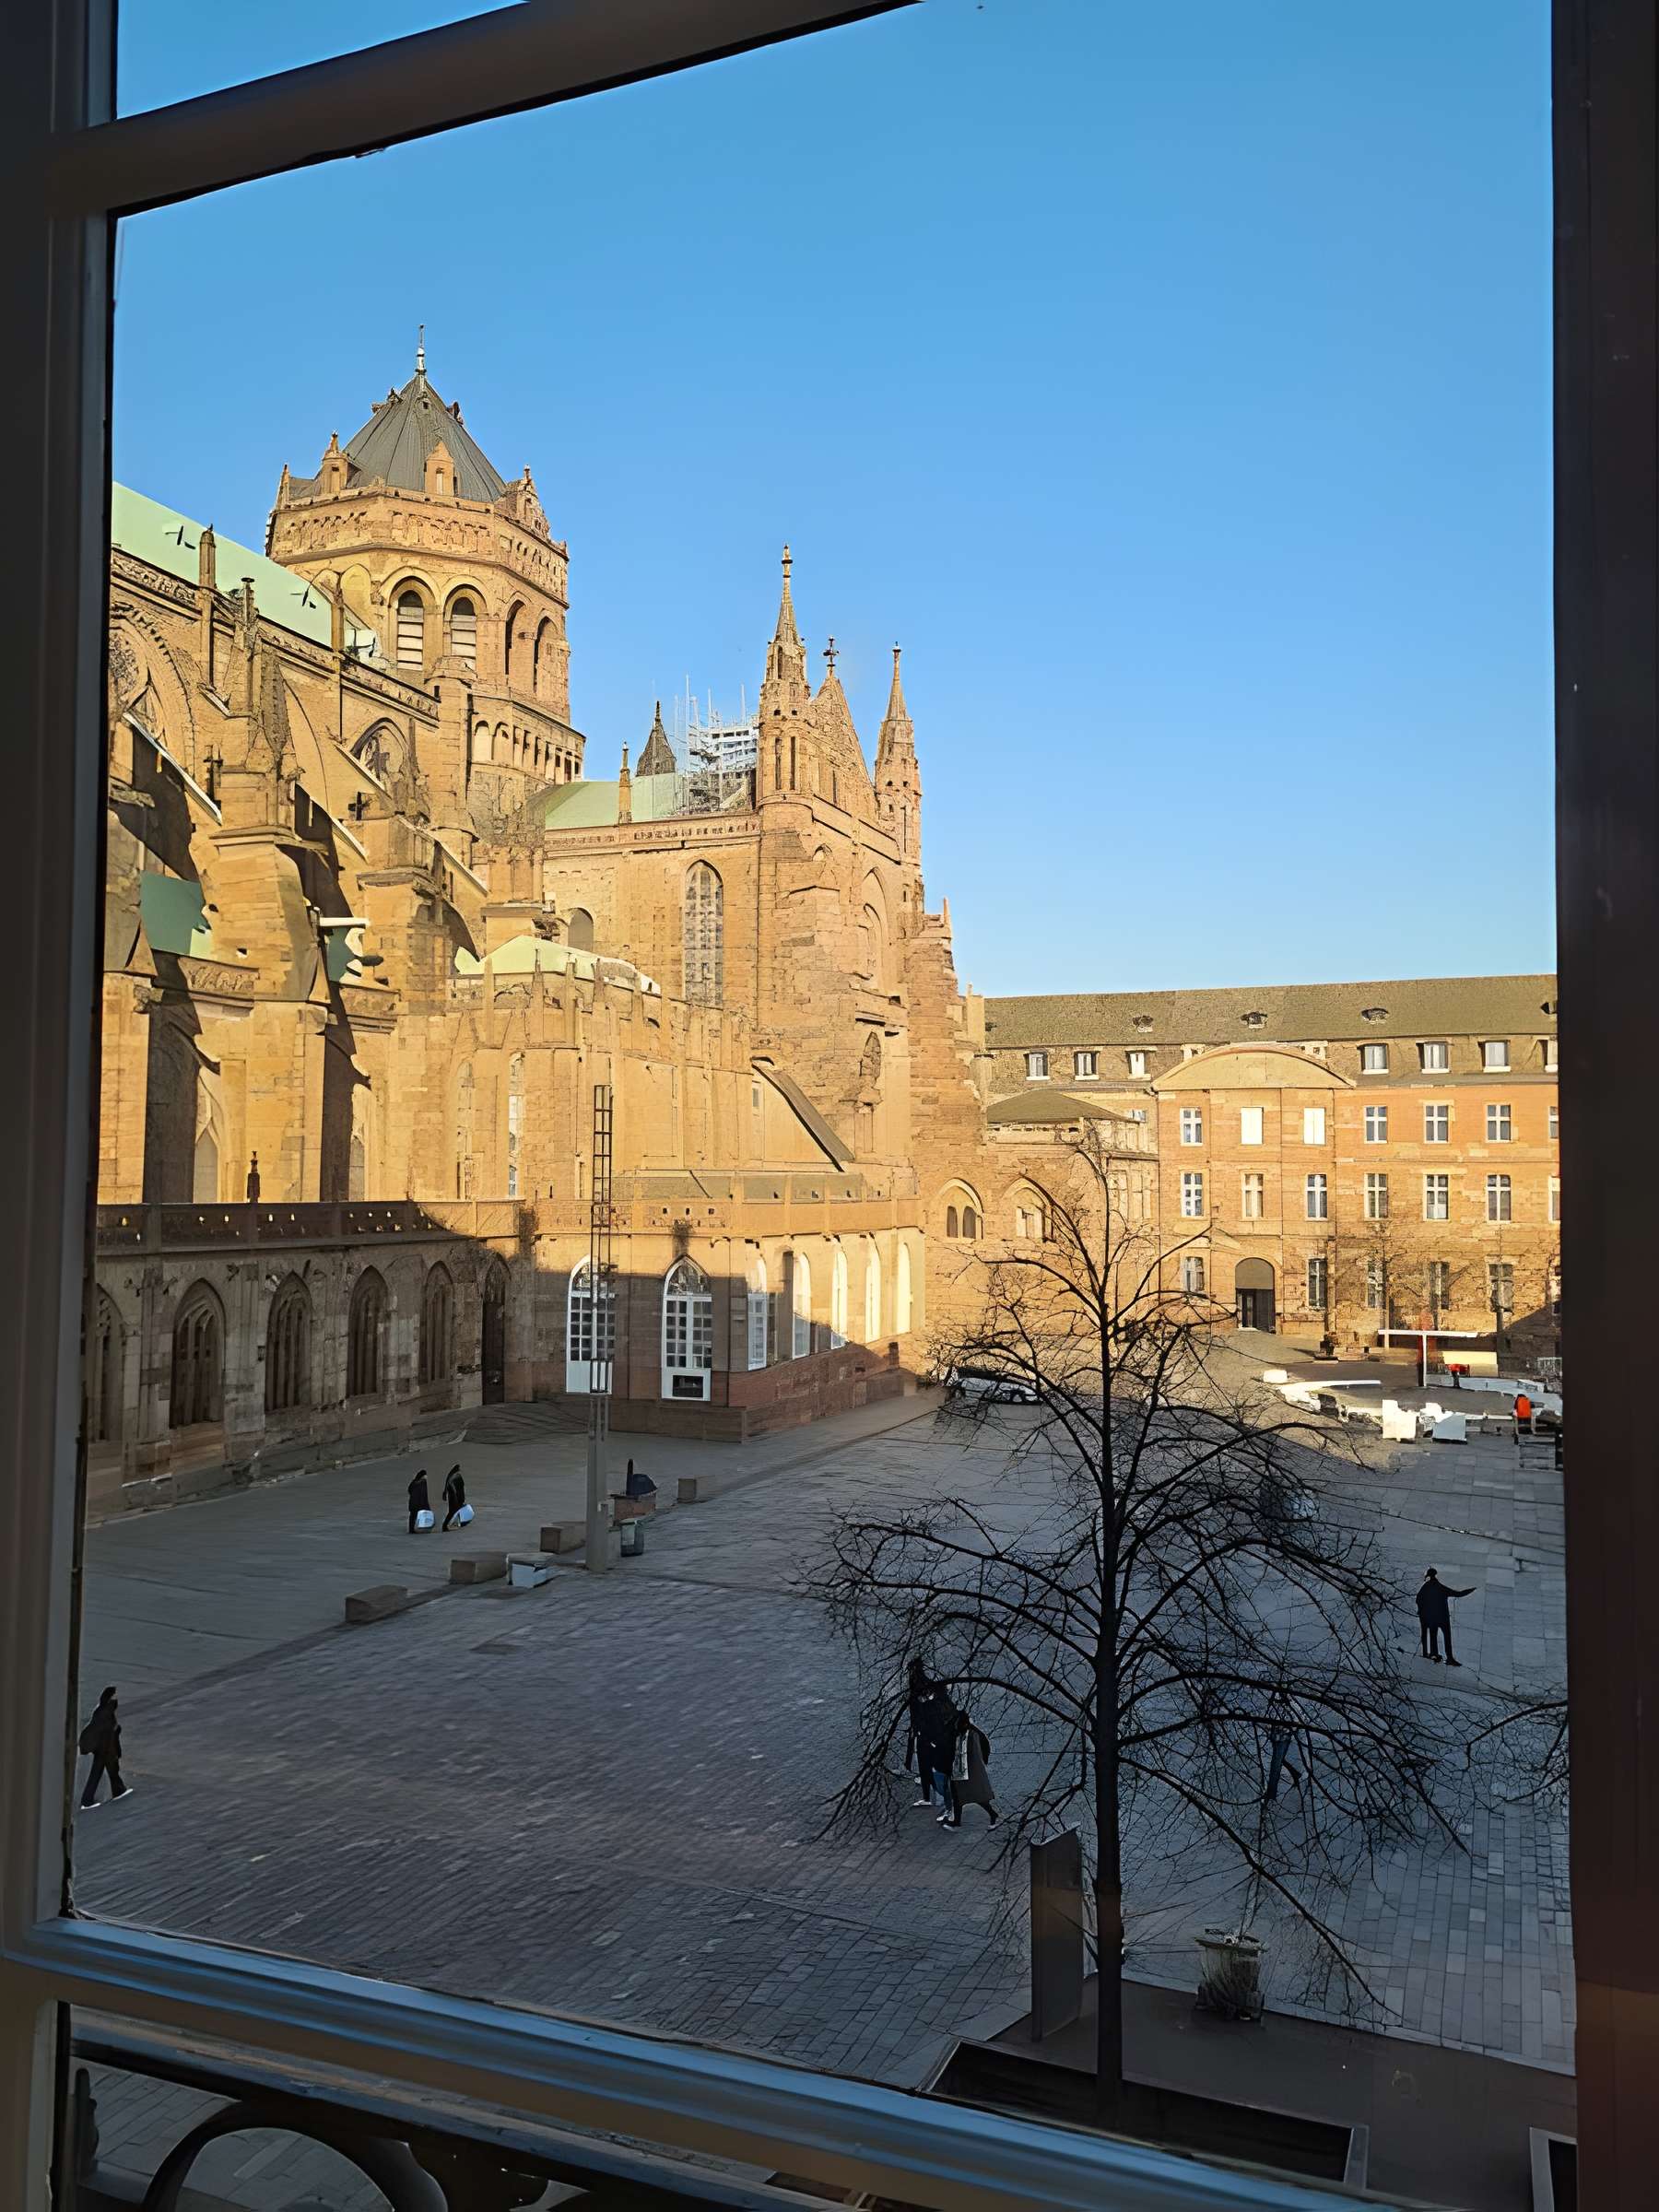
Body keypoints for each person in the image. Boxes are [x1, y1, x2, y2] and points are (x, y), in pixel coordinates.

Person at [941, 1710, 998, 1829]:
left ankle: (991, 1814)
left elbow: (959, 1752)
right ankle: (958, 1820)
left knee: (967, 1795)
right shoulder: (966, 1732)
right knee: (962, 1796)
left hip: (966, 1770)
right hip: (964, 1769)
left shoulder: (969, 1734)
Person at [78, 1685, 132, 1809]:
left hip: (105, 1750)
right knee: (105, 1774)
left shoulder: (106, 1711)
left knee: (103, 1774)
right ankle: (89, 1799)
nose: (116, 1699)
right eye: (113, 1696)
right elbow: (104, 1731)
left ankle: (90, 1798)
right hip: (105, 1750)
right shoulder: (104, 1713)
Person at [1416, 1568, 1476, 1665]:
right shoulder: (1441, 1588)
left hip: (1432, 1617)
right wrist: (1470, 1590)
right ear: (1435, 1576)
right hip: (1443, 1617)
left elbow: (1418, 1599)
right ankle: (1449, 1658)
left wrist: (1422, 1611)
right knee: (1447, 1637)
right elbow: (1458, 1594)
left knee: (1433, 1635)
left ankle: (1434, 1654)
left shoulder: (1426, 1587)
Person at [903, 1657, 942, 1807]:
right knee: (925, 1766)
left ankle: (938, 1796)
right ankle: (929, 1797)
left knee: (927, 1765)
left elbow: (926, 1706)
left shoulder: (920, 1684)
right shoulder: (918, 1684)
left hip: (927, 1733)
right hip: (923, 1732)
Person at [441, 1465, 466, 1531]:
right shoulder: (455, 1476)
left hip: (454, 1496)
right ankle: (445, 1525)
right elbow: (457, 1488)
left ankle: (454, 1523)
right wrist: (457, 1497)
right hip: (455, 1497)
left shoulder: (451, 1476)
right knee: (452, 1511)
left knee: (455, 1511)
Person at [407, 1468, 430, 1535]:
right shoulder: (419, 1482)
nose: (426, 1476)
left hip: (417, 1502)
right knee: (414, 1515)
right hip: (417, 1502)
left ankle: (415, 1528)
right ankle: (413, 1529)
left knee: (415, 1516)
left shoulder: (419, 1482)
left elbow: (409, 1490)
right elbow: (423, 1493)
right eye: (425, 1475)